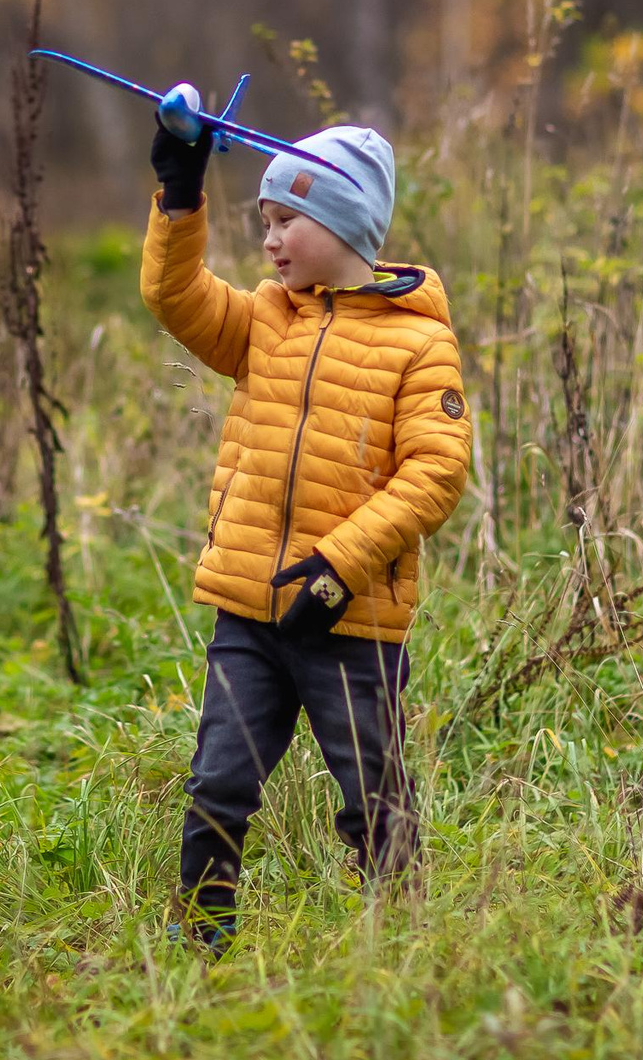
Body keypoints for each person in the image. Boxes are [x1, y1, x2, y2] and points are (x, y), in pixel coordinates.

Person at [138, 116, 473, 954]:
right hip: (251, 608)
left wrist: (339, 565)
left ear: (346, 223)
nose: (271, 240)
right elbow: (174, 296)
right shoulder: (263, 320)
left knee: (372, 795)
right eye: (264, 221)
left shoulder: (419, 341)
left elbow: (435, 473)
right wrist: (179, 193)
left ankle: (398, 944)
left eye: (287, 220)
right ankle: (201, 940)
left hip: (352, 618)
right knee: (219, 782)